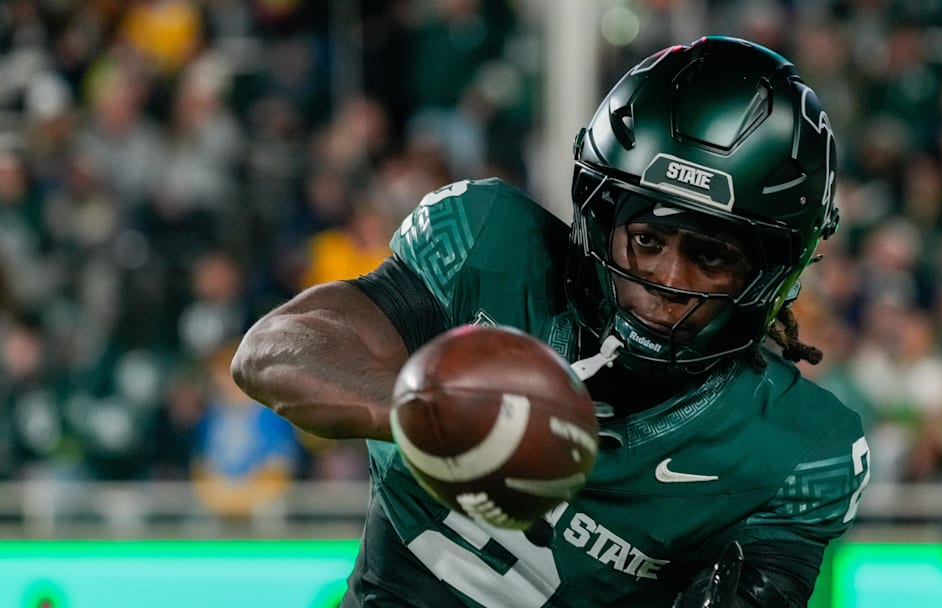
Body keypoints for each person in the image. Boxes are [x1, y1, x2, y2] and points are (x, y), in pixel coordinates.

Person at [232, 36, 870, 608]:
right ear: (600, 215)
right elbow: (272, 351)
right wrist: (439, 415)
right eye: (647, 240)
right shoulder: (490, 248)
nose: (667, 284)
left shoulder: (800, 449)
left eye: (711, 257)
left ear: (772, 272)